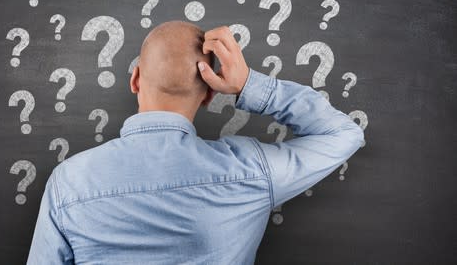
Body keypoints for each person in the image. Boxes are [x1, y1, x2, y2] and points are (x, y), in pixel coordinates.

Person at [26, 21, 364, 264]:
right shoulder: (250, 169)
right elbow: (343, 133)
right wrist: (248, 84)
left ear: (135, 79)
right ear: (209, 96)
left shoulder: (68, 182)